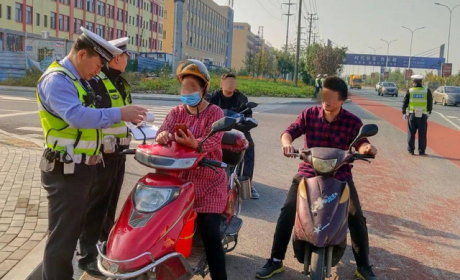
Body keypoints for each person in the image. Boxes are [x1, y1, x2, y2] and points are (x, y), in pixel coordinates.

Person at [37, 27, 147, 280]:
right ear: (82, 54)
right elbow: (76, 116)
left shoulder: (78, 80)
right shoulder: (57, 80)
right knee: (62, 239)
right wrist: (121, 114)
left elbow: (95, 120)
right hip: (65, 170)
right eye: (97, 64)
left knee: (71, 232)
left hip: (83, 168)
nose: (99, 70)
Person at [255, 76, 379, 280]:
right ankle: (275, 260)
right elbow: (289, 132)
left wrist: (366, 148)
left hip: (340, 175)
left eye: (331, 97)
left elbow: (361, 142)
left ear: (342, 99)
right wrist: (286, 143)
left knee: (356, 216)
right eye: (324, 95)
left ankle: (364, 266)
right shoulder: (309, 115)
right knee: (288, 210)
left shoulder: (352, 121)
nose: (326, 100)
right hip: (308, 172)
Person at [155, 59, 228, 280]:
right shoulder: (176, 112)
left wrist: (195, 144)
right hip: (179, 182)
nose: (187, 92)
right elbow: (161, 134)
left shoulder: (215, 113)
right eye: (184, 88)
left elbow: (213, 143)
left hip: (209, 183)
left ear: (204, 89)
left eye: (192, 89)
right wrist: (163, 137)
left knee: (210, 233)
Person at [78, 37, 133, 275]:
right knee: (96, 205)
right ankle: (87, 256)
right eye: (127, 56)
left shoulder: (120, 83)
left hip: (119, 153)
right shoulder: (97, 82)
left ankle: (104, 247)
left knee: (110, 204)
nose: (128, 60)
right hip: (102, 154)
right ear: (118, 57)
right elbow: (93, 116)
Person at [206, 73, 259, 199]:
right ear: (221, 84)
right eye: (227, 82)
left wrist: (246, 121)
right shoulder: (213, 97)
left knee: (249, 146)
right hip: (217, 130)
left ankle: (248, 183)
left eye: (232, 82)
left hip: (238, 130)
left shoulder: (241, 98)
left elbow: (248, 115)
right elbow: (205, 111)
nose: (230, 85)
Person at [402, 74, 432, 156]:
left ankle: (411, 150)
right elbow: (430, 103)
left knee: (411, 133)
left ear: (413, 82)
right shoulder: (426, 90)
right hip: (422, 116)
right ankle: (421, 151)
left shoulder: (410, 91)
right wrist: (429, 111)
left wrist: (404, 112)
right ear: (421, 82)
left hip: (412, 115)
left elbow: (405, 102)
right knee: (422, 134)